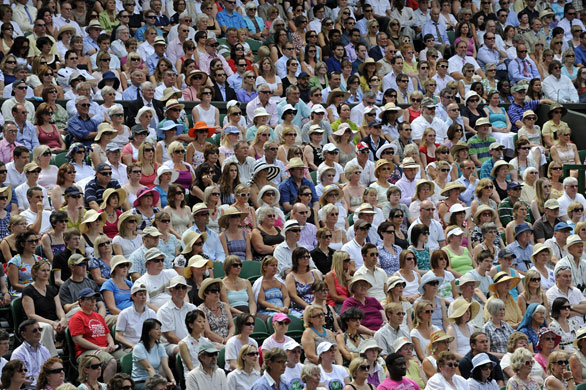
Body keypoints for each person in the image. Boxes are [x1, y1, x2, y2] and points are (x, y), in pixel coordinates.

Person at [69, 288, 119, 383]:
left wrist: (111, 344)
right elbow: (78, 340)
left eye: (94, 299)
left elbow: (107, 334)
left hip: (105, 349)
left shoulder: (98, 316)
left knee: (128, 358)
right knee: (111, 362)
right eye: (89, 299)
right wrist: (99, 348)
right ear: (81, 301)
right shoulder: (77, 318)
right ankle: (106, 388)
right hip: (85, 352)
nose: (93, 301)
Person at [131, 318, 176, 390]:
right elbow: (149, 368)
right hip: (140, 382)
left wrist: (173, 381)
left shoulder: (160, 347)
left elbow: (166, 367)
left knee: (176, 388)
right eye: (157, 329)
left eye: (160, 329)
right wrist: (158, 384)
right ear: (149, 331)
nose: (160, 332)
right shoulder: (138, 348)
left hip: (156, 380)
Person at [115, 283, 157, 350]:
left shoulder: (152, 313)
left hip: (148, 346)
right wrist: (133, 345)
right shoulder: (124, 314)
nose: (143, 297)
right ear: (133, 296)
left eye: (145, 294)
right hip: (130, 348)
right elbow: (118, 336)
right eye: (140, 294)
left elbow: (156, 333)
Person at [10, 319, 51, 387]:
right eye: (34, 330)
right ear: (24, 335)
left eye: (39, 329)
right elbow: (23, 380)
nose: (38, 332)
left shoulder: (45, 350)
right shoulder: (18, 354)